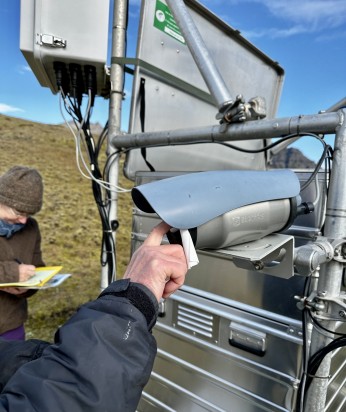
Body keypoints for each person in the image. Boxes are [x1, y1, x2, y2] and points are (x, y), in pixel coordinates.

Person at [0, 222, 188, 411]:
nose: (23, 220)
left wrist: (53, 359)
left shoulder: (30, 229)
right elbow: (63, 403)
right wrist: (131, 301)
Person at [0, 166, 44, 340]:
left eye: (29, 214)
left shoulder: (31, 228)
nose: (24, 220)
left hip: (12, 325)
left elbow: (37, 265)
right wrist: (12, 274)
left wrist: (27, 287)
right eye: (19, 212)